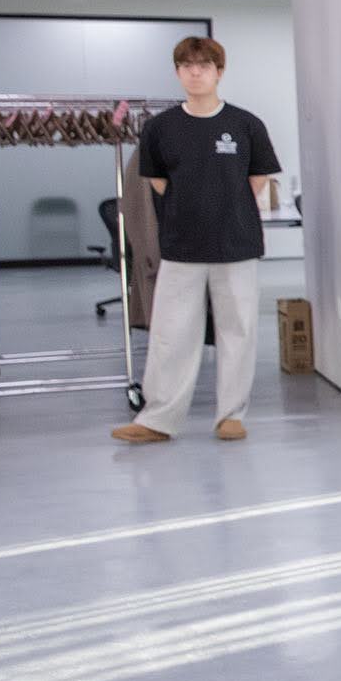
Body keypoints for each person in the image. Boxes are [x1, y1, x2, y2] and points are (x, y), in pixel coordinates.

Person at [111, 36, 280, 445]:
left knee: (237, 332)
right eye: (187, 66)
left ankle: (231, 416)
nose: (195, 72)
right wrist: (192, 207)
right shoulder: (160, 128)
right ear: (177, 72)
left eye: (204, 65)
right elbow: (157, 181)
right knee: (171, 334)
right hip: (181, 246)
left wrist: (224, 206)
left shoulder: (246, 124)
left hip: (236, 243)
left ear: (219, 72)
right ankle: (158, 419)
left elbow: (257, 178)